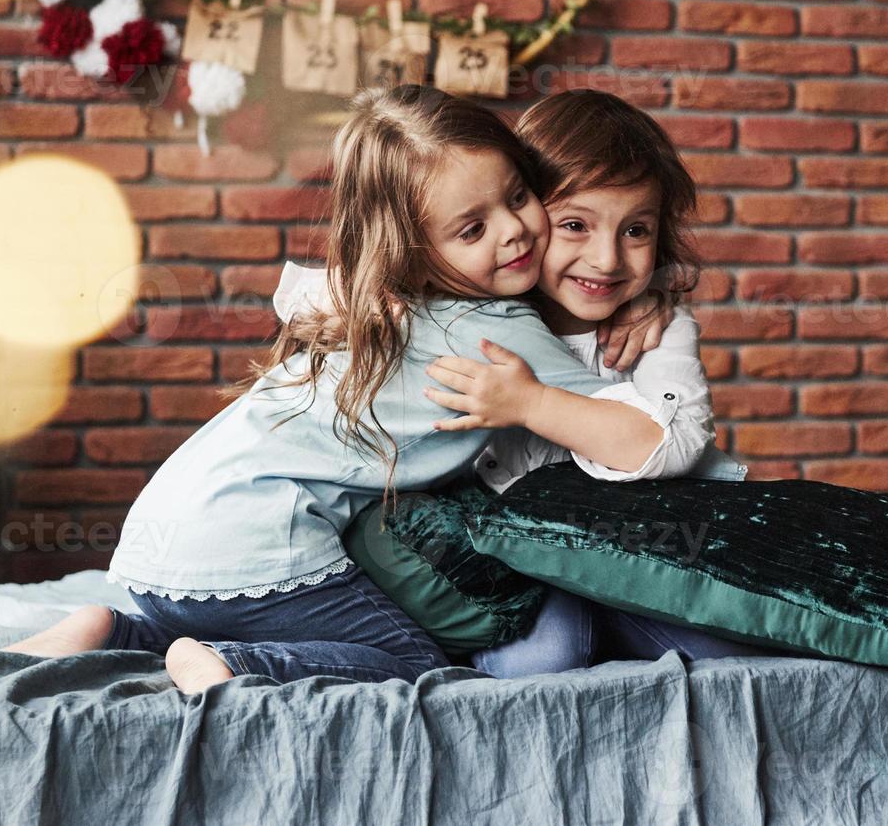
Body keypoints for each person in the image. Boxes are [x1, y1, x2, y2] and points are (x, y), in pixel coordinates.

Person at [3, 85, 701, 692]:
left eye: (516, 197)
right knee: (415, 663)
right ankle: (234, 664)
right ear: (419, 248)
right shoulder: (496, 331)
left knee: (235, 607)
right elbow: (645, 435)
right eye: (472, 228)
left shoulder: (376, 298)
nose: (514, 231)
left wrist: (647, 298)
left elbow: (320, 289)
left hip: (161, 543)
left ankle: (117, 632)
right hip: (256, 543)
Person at [276, 89, 766, 678]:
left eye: (636, 230)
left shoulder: (656, 326)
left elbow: (679, 441)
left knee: (740, 656)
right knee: (548, 657)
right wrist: (371, 296)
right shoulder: (480, 299)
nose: (607, 259)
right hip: (522, 556)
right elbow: (312, 291)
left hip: (643, 546)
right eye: (575, 225)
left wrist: (533, 400)